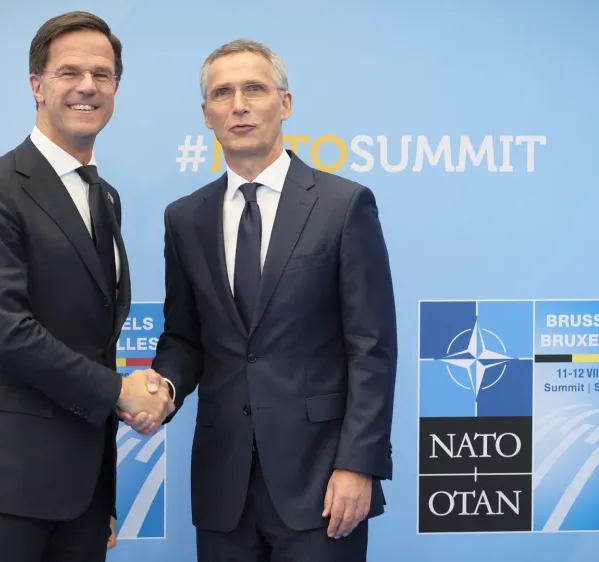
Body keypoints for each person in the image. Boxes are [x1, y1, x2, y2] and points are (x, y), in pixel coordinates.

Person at [123, 38, 398, 561]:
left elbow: (373, 347)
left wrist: (358, 464)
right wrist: (164, 387)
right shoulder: (185, 218)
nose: (239, 104)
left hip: (321, 482)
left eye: (254, 88)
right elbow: (185, 336)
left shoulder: (343, 206)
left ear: (285, 104)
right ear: (207, 115)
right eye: (222, 93)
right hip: (223, 484)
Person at [0, 11, 172, 562]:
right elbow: (4, 330)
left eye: (103, 74)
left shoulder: (106, 197)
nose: (87, 86)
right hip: (6, 485)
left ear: (116, 87)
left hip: (83, 491)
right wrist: (119, 391)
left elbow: (91, 339)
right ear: (37, 86)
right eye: (69, 72)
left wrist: (101, 495)